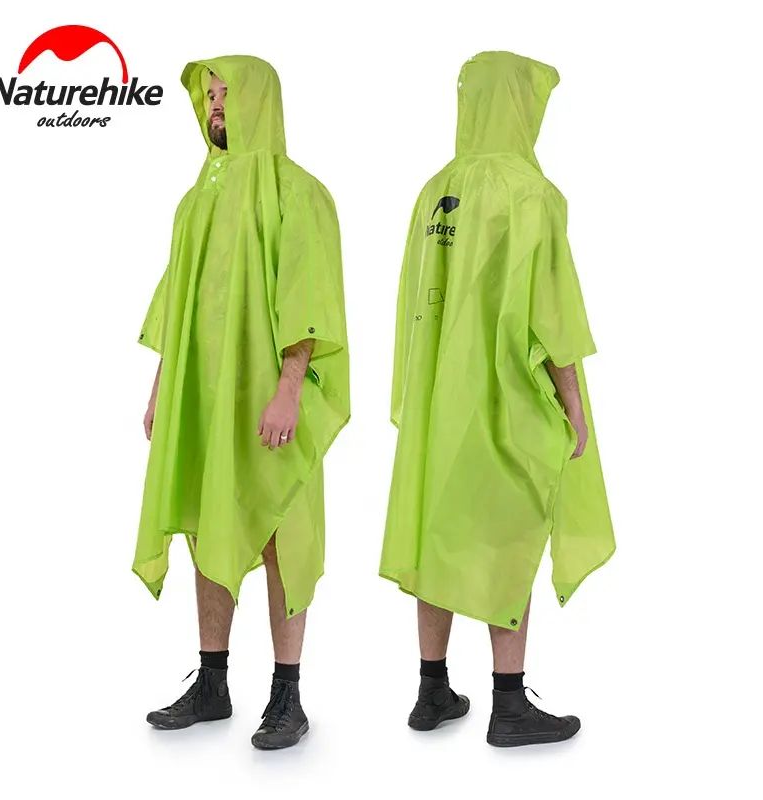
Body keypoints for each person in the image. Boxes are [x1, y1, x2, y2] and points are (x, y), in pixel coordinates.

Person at [379, 51, 616, 747]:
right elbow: (554, 315)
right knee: (509, 537)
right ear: (518, 105)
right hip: (505, 398)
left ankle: (431, 691)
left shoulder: (434, 191)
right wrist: (574, 406)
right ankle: (509, 706)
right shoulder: (533, 195)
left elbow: (411, 301)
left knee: (439, 532)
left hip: (436, 400)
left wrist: (413, 393)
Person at [133, 55, 349, 750]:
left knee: (282, 530)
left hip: (271, 399)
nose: (215, 105)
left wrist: (289, 388)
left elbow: (309, 295)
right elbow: (178, 302)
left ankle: (287, 694)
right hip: (205, 396)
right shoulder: (196, 201)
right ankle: (213, 682)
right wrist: (163, 386)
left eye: (227, 93)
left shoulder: (298, 192)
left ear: (261, 100)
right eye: (208, 95)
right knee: (207, 524)